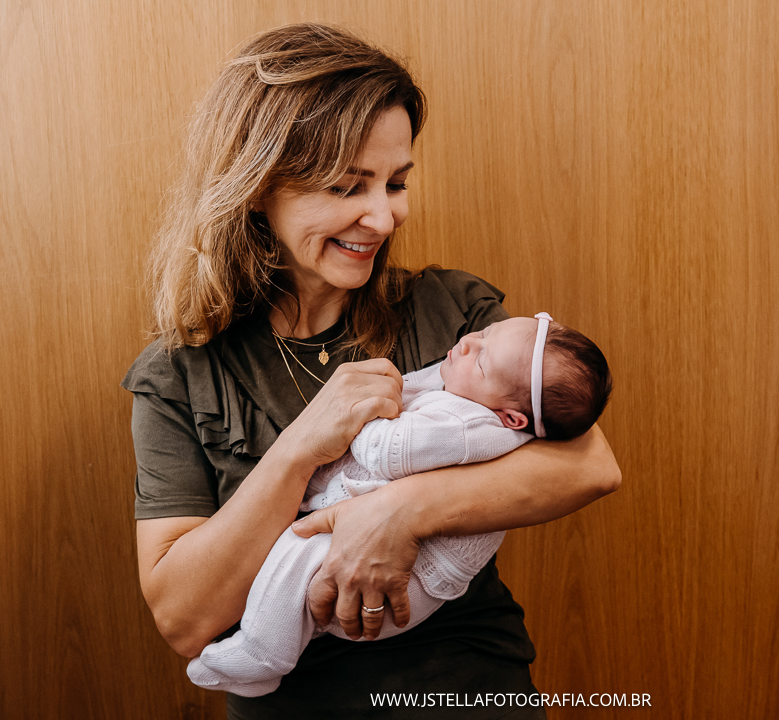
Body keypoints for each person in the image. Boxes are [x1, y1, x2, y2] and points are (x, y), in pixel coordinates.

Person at [123, 22, 620, 719]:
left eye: (396, 181)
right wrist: (302, 445)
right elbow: (183, 619)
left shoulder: (452, 311)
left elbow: (591, 466)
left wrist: (397, 513)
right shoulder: (179, 376)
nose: (384, 218)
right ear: (257, 185)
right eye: (348, 186)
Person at [187, 314, 613, 697]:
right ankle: (283, 636)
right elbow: (427, 382)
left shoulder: (470, 425)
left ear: (513, 418)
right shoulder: (480, 395)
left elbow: (387, 450)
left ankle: (262, 656)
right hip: (378, 592)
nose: (467, 342)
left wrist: (360, 413)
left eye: (481, 358)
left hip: (399, 592)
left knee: (296, 552)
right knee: (299, 566)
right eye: (482, 333)